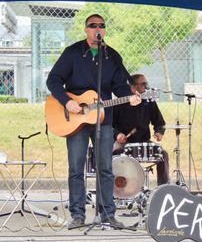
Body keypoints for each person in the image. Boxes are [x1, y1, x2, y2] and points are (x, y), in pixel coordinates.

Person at [46, 14, 141, 229]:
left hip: (103, 119)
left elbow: (121, 88)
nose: (98, 28)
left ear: (104, 30)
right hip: (74, 118)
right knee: (76, 168)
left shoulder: (113, 57)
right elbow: (53, 80)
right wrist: (67, 101)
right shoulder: (72, 53)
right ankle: (78, 215)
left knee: (105, 168)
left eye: (102, 25)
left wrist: (131, 96)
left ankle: (107, 214)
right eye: (93, 25)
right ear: (86, 29)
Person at [112, 74, 170, 186]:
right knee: (114, 154)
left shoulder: (149, 102)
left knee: (163, 154)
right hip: (123, 143)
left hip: (143, 142)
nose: (146, 86)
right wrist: (118, 134)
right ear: (133, 87)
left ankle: (163, 188)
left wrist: (159, 132)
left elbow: (160, 122)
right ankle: (118, 189)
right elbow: (109, 126)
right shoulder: (119, 102)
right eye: (143, 84)